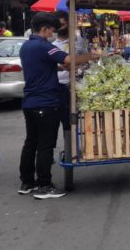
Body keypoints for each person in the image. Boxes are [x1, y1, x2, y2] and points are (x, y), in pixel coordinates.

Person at [18, 13, 98, 199]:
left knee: (31, 143)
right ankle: (44, 185)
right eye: (52, 29)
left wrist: (58, 68)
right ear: (45, 29)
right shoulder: (44, 46)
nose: (53, 33)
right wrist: (91, 55)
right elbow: (69, 59)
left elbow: (41, 67)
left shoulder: (26, 46)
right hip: (45, 103)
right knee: (46, 145)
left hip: (30, 102)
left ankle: (27, 182)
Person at [52, 12, 89, 165]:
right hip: (55, 86)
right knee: (53, 122)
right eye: (58, 24)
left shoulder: (78, 41)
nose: (61, 26)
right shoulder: (51, 44)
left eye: (64, 23)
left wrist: (78, 66)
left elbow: (86, 60)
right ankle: (50, 152)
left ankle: (71, 149)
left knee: (70, 121)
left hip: (74, 85)